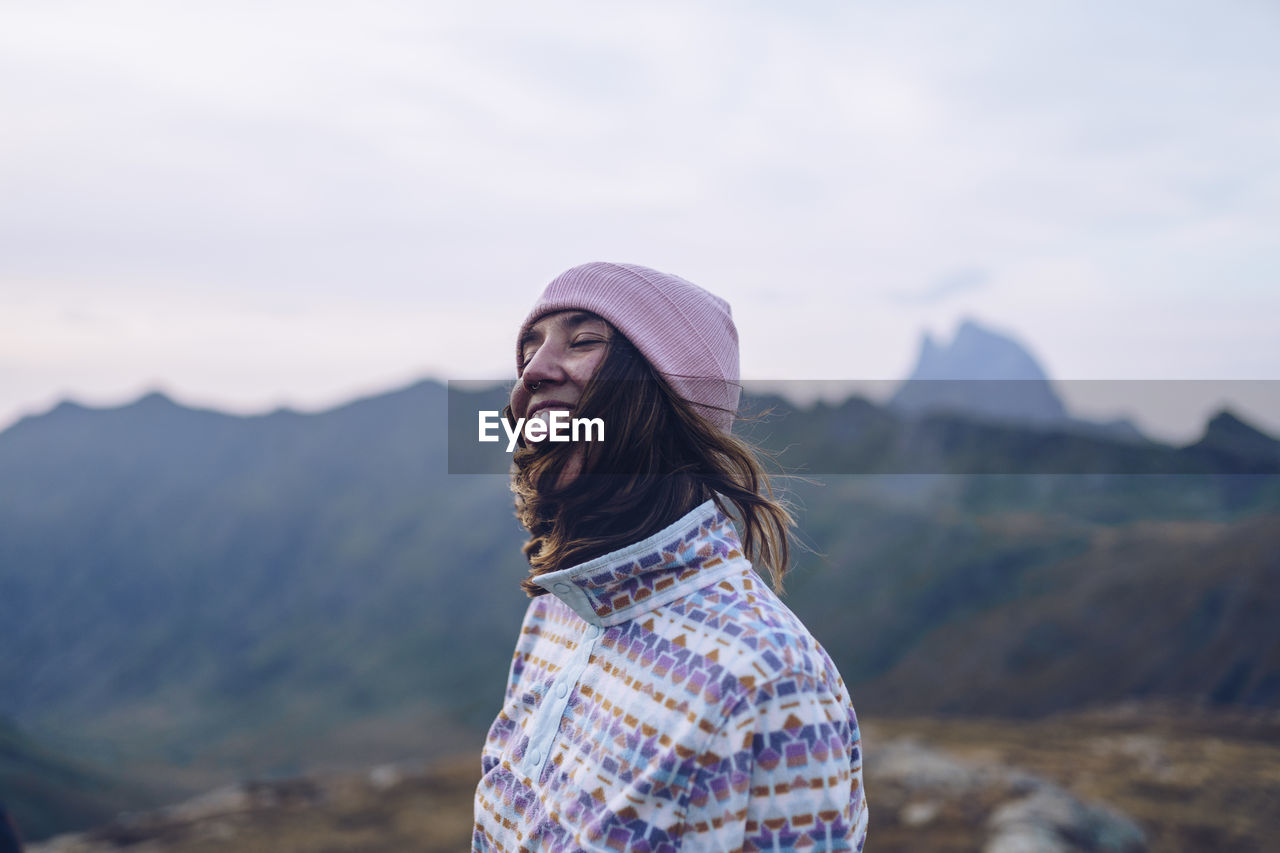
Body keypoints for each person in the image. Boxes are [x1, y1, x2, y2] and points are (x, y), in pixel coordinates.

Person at [473, 262, 869, 852]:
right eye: (528, 348)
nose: (534, 371)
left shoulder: (769, 683)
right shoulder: (556, 612)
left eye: (584, 341)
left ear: (670, 403)